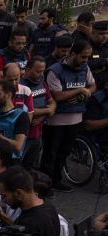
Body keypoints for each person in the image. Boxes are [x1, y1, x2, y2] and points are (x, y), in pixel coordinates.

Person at [43, 39, 95, 192]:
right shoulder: (55, 70)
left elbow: (92, 86)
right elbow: (57, 96)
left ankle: (57, 180)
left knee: (64, 152)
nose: (85, 61)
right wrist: (80, 91)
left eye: (88, 57)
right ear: (73, 54)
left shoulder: (84, 68)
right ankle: (45, 185)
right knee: (50, 154)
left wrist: (86, 93)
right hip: (56, 121)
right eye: (83, 57)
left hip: (76, 118)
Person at [0, 165, 58, 236]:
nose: (3, 200)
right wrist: (4, 217)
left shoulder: (32, 223)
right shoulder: (48, 206)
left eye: (4, 196)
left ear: (19, 193)